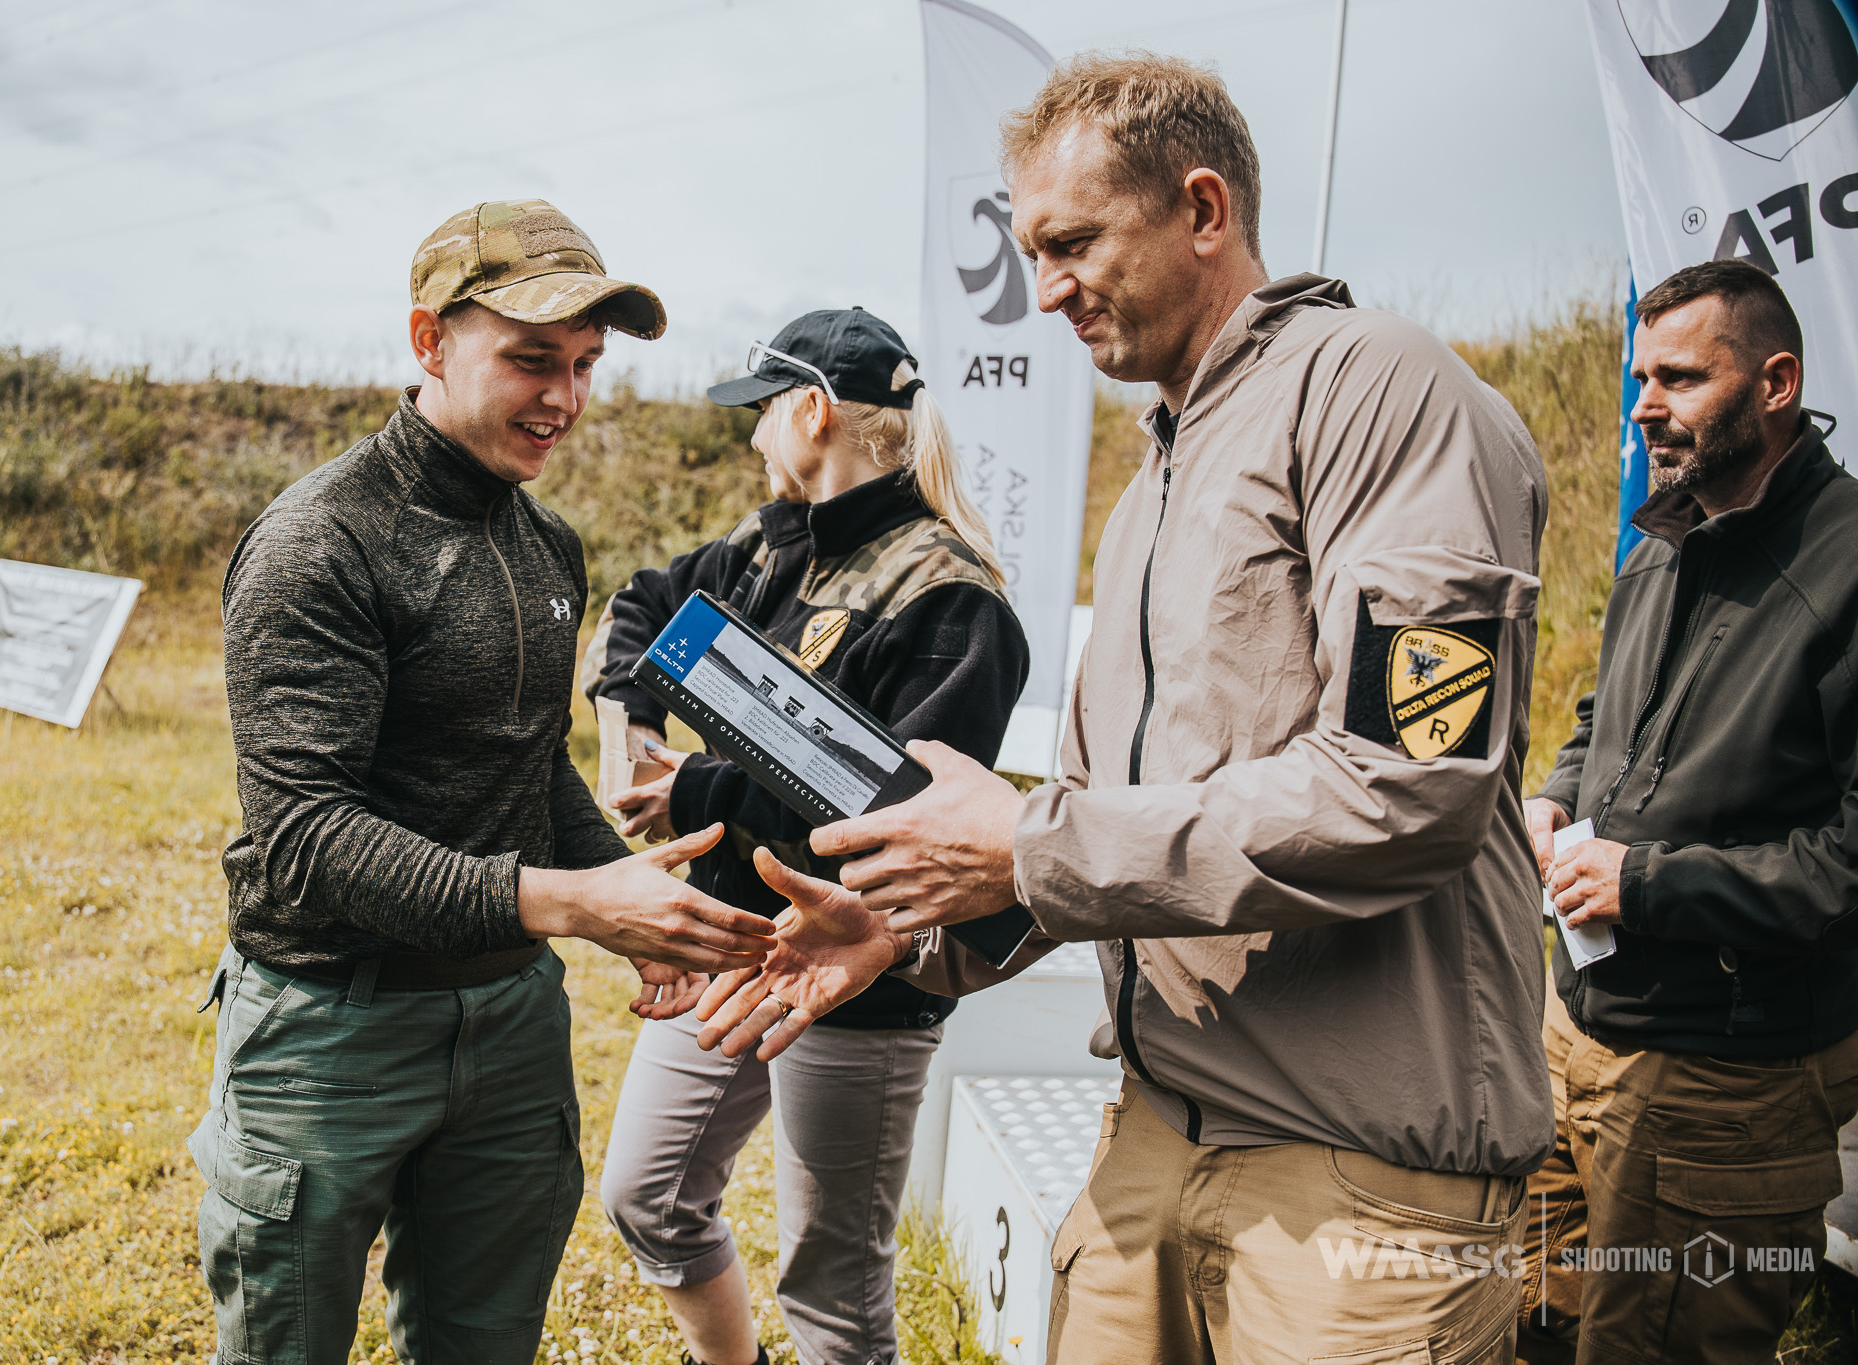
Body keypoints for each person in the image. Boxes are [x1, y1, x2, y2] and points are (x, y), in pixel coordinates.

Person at [696, 53, 1553, 1365]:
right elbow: (1105, 833)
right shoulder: (1149, 483)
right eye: (1031, 256)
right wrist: (919, 937)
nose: (1044, 292)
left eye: (1072, 244)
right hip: (1154, 1133)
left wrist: (1027, 844)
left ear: (1202, 209)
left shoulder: (1381, 388)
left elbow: (1409, 784)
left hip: (1359, 1179)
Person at [193, 199, 776, 1365]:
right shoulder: (320, 543)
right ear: (429, 341)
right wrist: (576, 904)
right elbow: (306, 834)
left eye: (584, 365)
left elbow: (527, 764)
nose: (563, 397)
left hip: (511, 1023)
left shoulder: (544, 542)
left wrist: (633, 905)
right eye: (530, 359)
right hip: (328, 1025)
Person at [582, 307, 1030, 1365]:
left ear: (813, 412)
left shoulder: (950, 600)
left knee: (831, 1289)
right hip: (730, 943)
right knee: (646, 1196)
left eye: (761, 412)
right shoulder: (766, 546)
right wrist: (629, 732)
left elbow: (901, 832)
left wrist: (695, 789)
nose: (751, 436)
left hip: (854, 975)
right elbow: (643, 606)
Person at [1518, 260, 1858, 1364]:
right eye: (1637, 379)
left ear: (1775, 383)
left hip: (1720, 1089)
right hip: (1568, 1039)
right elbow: (1601, 722)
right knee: (1523, 1329)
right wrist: (1556, 796)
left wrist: (1646, 883)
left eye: (1677, 378)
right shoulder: (1661, 536)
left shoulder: (1849, 566)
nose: (1643, 407)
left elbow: (1846, 865)